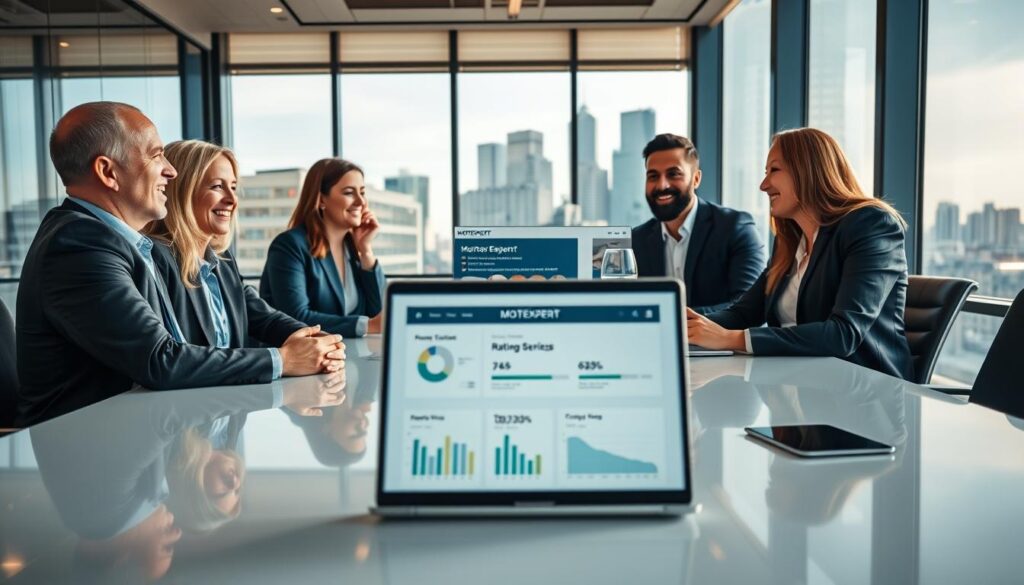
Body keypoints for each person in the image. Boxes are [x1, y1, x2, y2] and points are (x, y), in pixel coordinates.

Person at [15, 102, 344, 426]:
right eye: (156, 155)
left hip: (146, 433)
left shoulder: (118, 242)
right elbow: (160, 359)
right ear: (108, 172)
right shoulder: (80, 245)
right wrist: (283, 360)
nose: (170, 171)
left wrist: (315, 345)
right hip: (97, 453)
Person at [686, 127, 915, 380]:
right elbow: (743, 313)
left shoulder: (871, 224)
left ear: (807, 169)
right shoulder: (790, 242)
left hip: (866, 393)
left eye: (774, 170)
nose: (763, 185)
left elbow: (843, 334)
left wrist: (732, 339)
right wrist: (683, 323)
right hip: (799, 385)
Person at [144, 140, 311, 353]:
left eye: (233, 187)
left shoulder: (222, 260)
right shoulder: (155, 257)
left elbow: (263, 317)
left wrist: (313, 338)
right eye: (217, 186)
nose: (232, 199)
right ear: (182, 191)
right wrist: (283, 359)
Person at [631, 134, 765, 314]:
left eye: (674, 174)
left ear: (696, 179)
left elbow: (749, 308)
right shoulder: (635, 240)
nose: (662, 185)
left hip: (716, 342)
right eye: (653, 176)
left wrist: (675, 319)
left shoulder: (736, 228)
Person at [260, 158, 385, 338]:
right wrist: (367, 325)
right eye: (349, 193)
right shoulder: (289, 246)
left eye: (362, 192)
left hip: (346, 356)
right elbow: (296, 317)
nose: (361, 202)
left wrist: (365, 250)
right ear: (321, 199)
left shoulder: (352, 248)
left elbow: (378, 313)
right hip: (301, 361)